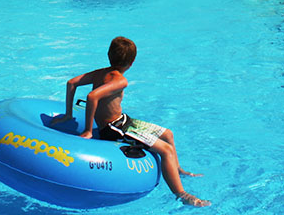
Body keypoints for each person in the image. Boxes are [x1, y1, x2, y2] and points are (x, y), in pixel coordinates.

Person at [51, 37, 210, 207]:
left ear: (109, 55)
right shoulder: (120, 81)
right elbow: (92, 96)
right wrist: (89, 130)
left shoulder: (100, 73)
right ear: (132, 62)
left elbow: (71, 83)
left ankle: (178, 170)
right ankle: (181, 194)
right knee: (166, 150)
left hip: (124, 121)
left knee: (168, 134)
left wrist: (68, 114)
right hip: (113, 128)